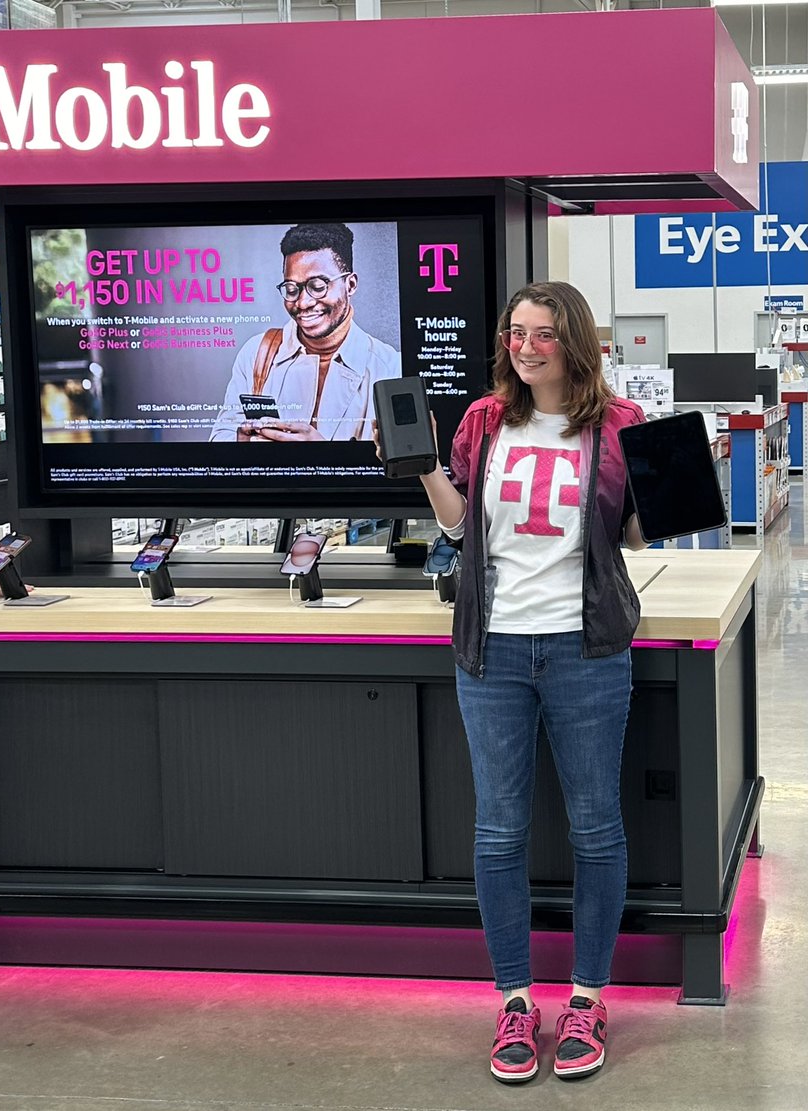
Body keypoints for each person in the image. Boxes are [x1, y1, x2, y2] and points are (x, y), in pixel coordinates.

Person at [378, 281, 646, 1083]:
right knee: (498, 830)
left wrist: (674, 488)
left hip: (586, 647)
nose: (525, 347)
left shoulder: (620, 423)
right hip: (493, 650)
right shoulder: (483, 420)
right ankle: (516, 1002)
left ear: (575, 341)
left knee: (596, 826)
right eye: (515, 333)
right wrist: (423, 465)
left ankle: (588, 998)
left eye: (542, 334)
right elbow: (461, 526)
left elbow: (633, 533)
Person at [208, 222, 400, 442]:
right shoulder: (256, 352)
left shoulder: (390, 368)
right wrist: (241, 441)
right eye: (291, 289)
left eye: (317, 286)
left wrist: (321, 454)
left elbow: (402, 458)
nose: (303, 302)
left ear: (350, 285)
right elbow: (219, 439)